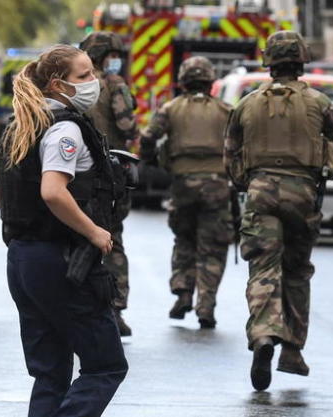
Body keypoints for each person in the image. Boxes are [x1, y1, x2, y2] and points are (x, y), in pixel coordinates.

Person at [0, 44, 128, 417]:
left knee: (50, 373)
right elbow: (53, 191)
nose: (93, 82)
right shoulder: (66, 129)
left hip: (23, 260)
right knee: (106, 365)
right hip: (62, 261)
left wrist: (26, 223)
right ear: (58, 84)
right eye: (84, 76)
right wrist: (95, 232)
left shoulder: (21, 124)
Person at [225, 30, 333, 391]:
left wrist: (247, 183)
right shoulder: (319, 102)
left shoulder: (247, 104)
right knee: (296, 271)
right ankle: (293, 352)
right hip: (303, 195)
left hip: (260, 192)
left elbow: (230, 157)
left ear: (269, 64)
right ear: (301, 61)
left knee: (263, 269)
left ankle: (265, 334)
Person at [138, 56, 231, 329]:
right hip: (217, 185)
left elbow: (148, 138)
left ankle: (182, 291)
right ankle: (206, 304)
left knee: (184, 240)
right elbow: (239, 144)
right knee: (212, 248)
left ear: (183, 82)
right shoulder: (225, 110)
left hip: (182, 185)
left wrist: (152, 161)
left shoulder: (171, 108)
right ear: (211, 81)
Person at [81, 31, 136, 336]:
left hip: (75, 173)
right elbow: (128, 125)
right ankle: (113, 308)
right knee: (112, 239)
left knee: (76, 236)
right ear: (104, 55)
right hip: (110, 173)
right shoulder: (115, 85)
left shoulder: (75, 83)